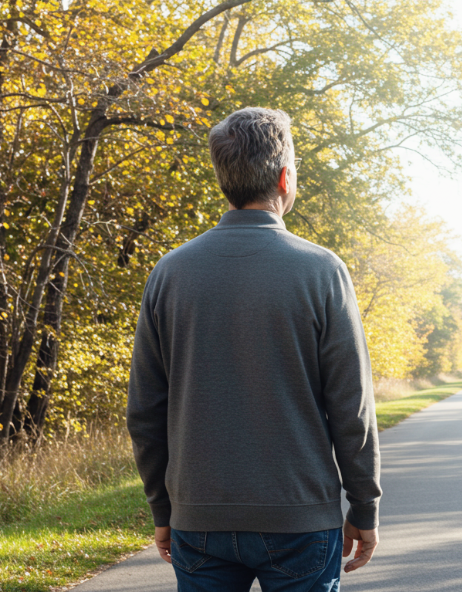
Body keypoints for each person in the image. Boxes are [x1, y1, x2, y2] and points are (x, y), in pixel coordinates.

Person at [127, 107, 381, 592]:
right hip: (301, 521)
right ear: (285, 178)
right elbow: (353, 410)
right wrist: (364, 507)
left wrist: (164, 508)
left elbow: (144, 410)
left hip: (198, 522)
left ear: (225, 180)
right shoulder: (322, 271)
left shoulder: (170, 273)